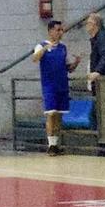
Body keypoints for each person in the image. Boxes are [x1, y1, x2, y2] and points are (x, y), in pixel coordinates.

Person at [31, 19, 81, 156]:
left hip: (62, 84)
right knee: (51, 113)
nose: (60, 33)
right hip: (49, 85)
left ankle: (56, 143)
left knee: (59, 115)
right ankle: (50, 144)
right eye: (58, 30)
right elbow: (34, 59)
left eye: (61, 30)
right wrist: (44, 50)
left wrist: (76, 63)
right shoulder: (41, 45)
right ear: (50, 31)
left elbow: (68, 68)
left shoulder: (63, 47)